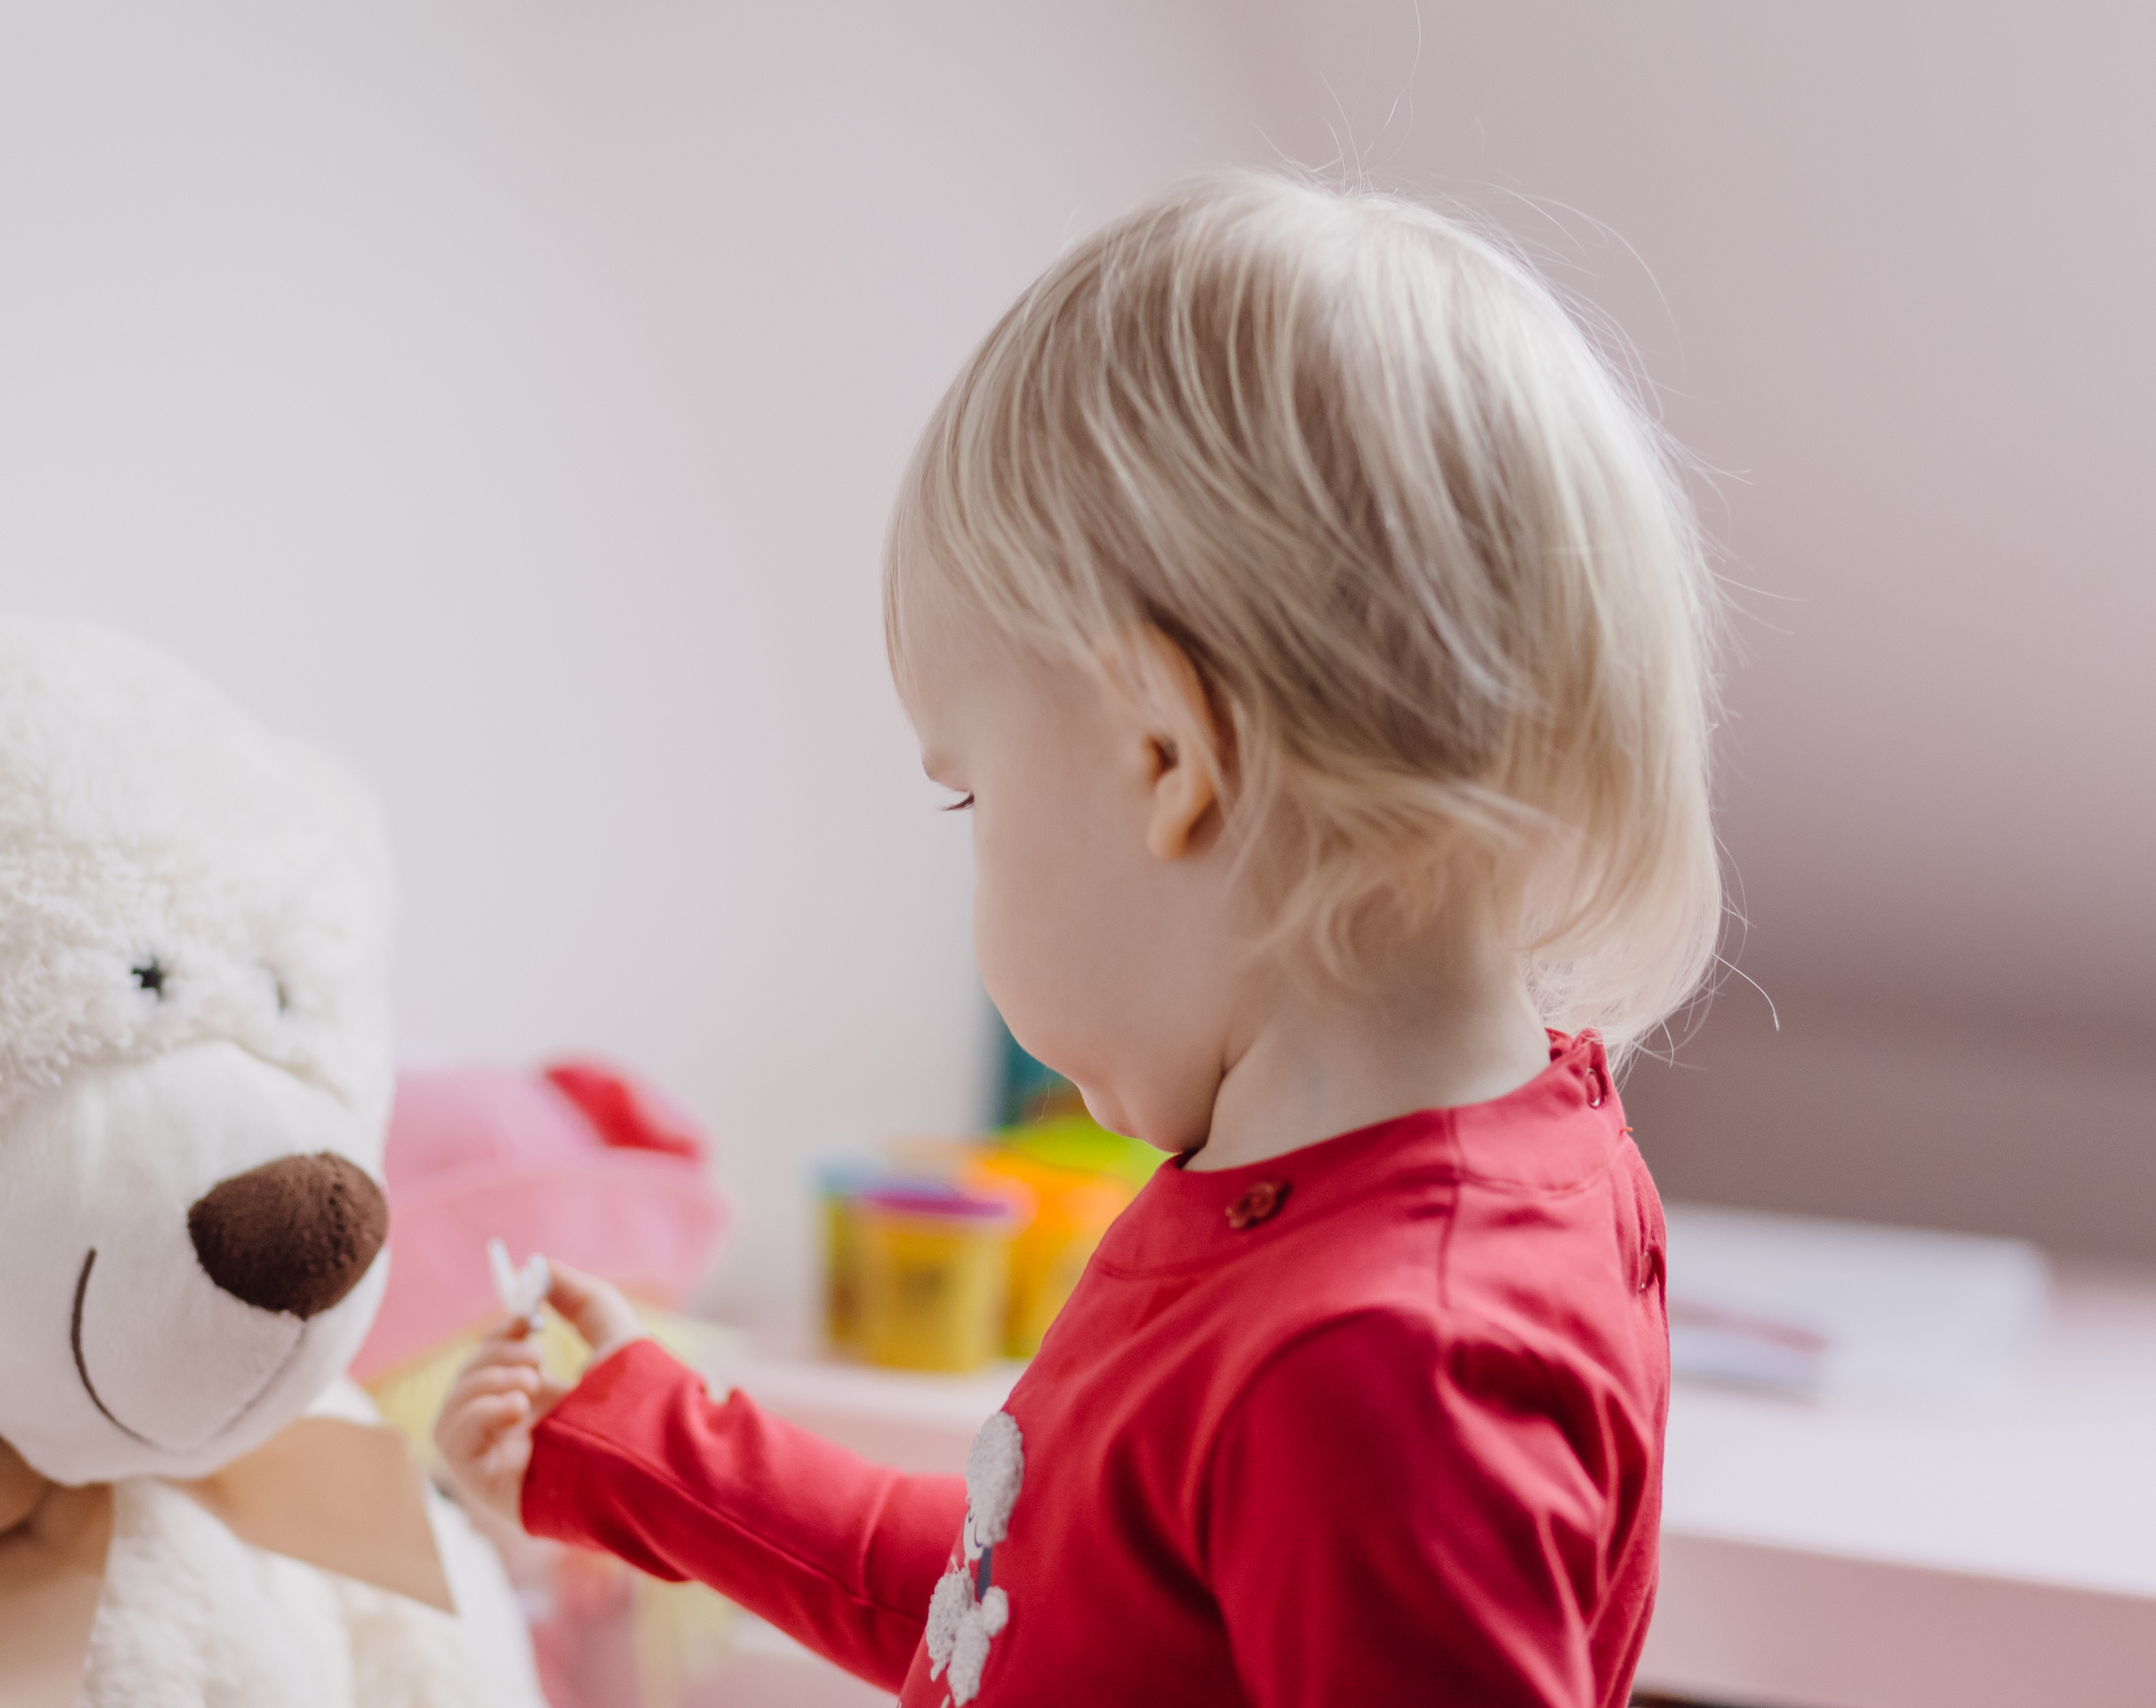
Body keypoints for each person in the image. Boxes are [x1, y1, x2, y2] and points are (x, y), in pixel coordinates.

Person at [434, 169, 1719, 1707]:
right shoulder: (1361, 1203)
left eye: (968, 791)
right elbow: (1038, 1607)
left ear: (1167, 758)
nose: (968, 840)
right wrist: (643, 1442)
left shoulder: (1382, 1365)